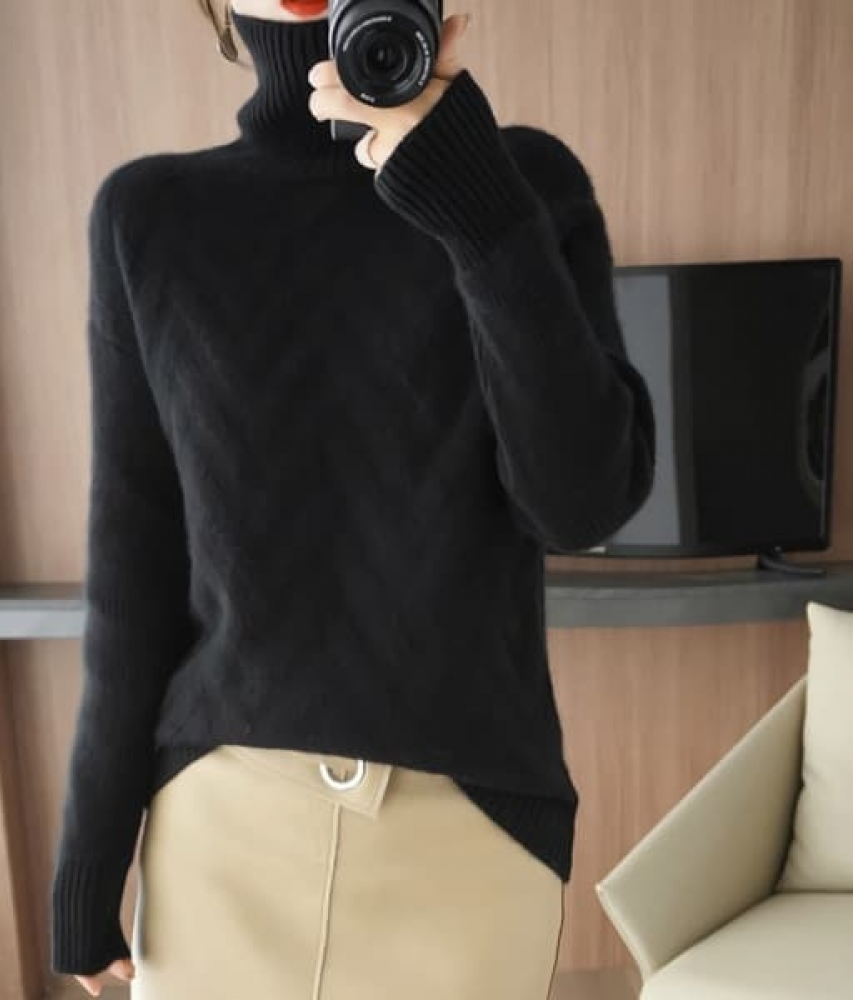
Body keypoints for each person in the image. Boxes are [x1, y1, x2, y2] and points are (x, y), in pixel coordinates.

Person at [49, 1, 657, 997]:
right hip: (220, 837)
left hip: (467, 839)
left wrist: (474, 203)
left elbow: (581, 504)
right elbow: (134, 560)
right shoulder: (150, 213)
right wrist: (88, 861)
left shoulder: (526, 181)